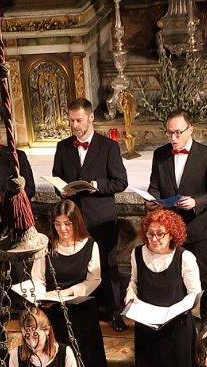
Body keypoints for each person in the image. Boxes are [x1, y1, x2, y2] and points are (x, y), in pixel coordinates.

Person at [27, 200, 113, 367]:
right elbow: (37, 277)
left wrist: (67, 293)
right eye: (57, 224)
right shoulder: (46, 246)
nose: (62, 229)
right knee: (60, 356)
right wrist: (40, 295)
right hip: (54, 312)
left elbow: (94, 278)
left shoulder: (89, 244)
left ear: (76, 223)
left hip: (81, 311)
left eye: (67, 224)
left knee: (84, 357)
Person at [52, 98, 129, 330]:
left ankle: (115, 311)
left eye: (79, 120)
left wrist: (97, 185)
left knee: (106, 263)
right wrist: (61, 189)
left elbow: (121, 182)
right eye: (71, 120)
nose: (74, 125)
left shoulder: (109, 147)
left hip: (100, 218)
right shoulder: (63, 147)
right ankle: (82, 307)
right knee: (78, 263)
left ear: (91, 117)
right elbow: (57, 177)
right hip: (75, 218)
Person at [125, 208, 200, 367]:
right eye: (150, 234)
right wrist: (130, 297)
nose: (154, 239)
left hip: (176, 327)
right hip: (147, 324)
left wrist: (170, 312)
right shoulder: (138, 254)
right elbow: (134, 283)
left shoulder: (185, 257)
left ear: (171, 235)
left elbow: (195, 294)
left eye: (160, 234)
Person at [147, 109, 207, 311]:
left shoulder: (206, 154)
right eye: (169, 133)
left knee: (203, 272)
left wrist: (196, 202)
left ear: (191, 129)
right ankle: (178, 313)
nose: (173, 137)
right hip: (169, 226)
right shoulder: (160, 154)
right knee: (173, 271)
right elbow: (154, 186)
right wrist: (152, 200)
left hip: (196, 226)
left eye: (178, 132)